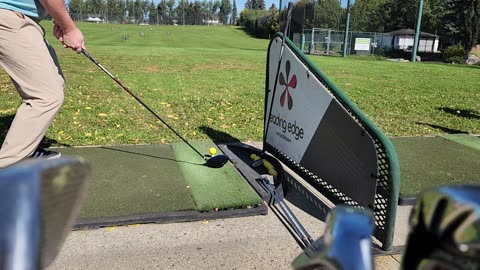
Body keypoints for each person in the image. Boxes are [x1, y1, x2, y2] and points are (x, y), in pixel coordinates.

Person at [0, 0, 85, 167]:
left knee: (56, 83)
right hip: (8, 17)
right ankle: (10, 165)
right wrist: (69, 28)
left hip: (24, 20)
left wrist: (60, 20)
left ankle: (24, 152)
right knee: (46, 96)